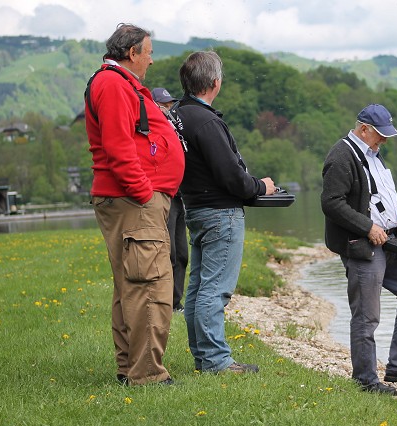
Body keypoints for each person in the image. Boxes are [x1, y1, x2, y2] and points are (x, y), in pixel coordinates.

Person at [84, 24, 185, 386]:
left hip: (133, 199)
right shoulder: (112, 84)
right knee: (150, 285)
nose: (152, 59)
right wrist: (144, 192)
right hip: (133, 200)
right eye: (149, 51)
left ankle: (132, 368)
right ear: (131, 53)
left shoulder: (119, 83)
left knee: (133, 282)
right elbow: (117, 146)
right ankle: (146, 374)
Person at [321, 104, 397, 396]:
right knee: (366, 316)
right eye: (380, 135)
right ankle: (366, 381)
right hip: (363, 247)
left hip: (392, 242)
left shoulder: (374, 154)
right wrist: (367, 227)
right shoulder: (341, 155)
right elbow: (332, 203)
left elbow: (379, 198)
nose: (384, 140)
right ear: (364, 129)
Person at [175, 50, 276, 374]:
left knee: (198, 288)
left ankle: (204, 358)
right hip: (220, 214)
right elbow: (231, 175)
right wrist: (260, 187)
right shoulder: (206, 121)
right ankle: (217, 362)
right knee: (214, 290)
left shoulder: (177, 116)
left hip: (195, 209)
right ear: (215, 83)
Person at [152, 87, 188, 313]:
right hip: (165, 195)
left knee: (182, 254)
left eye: (169, 104)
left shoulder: (175, 128)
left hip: (180, 196)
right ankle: (166, 303)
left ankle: (176, 303)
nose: (169, 109)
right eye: (164, 105)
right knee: (170, 252)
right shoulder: (156, 129)